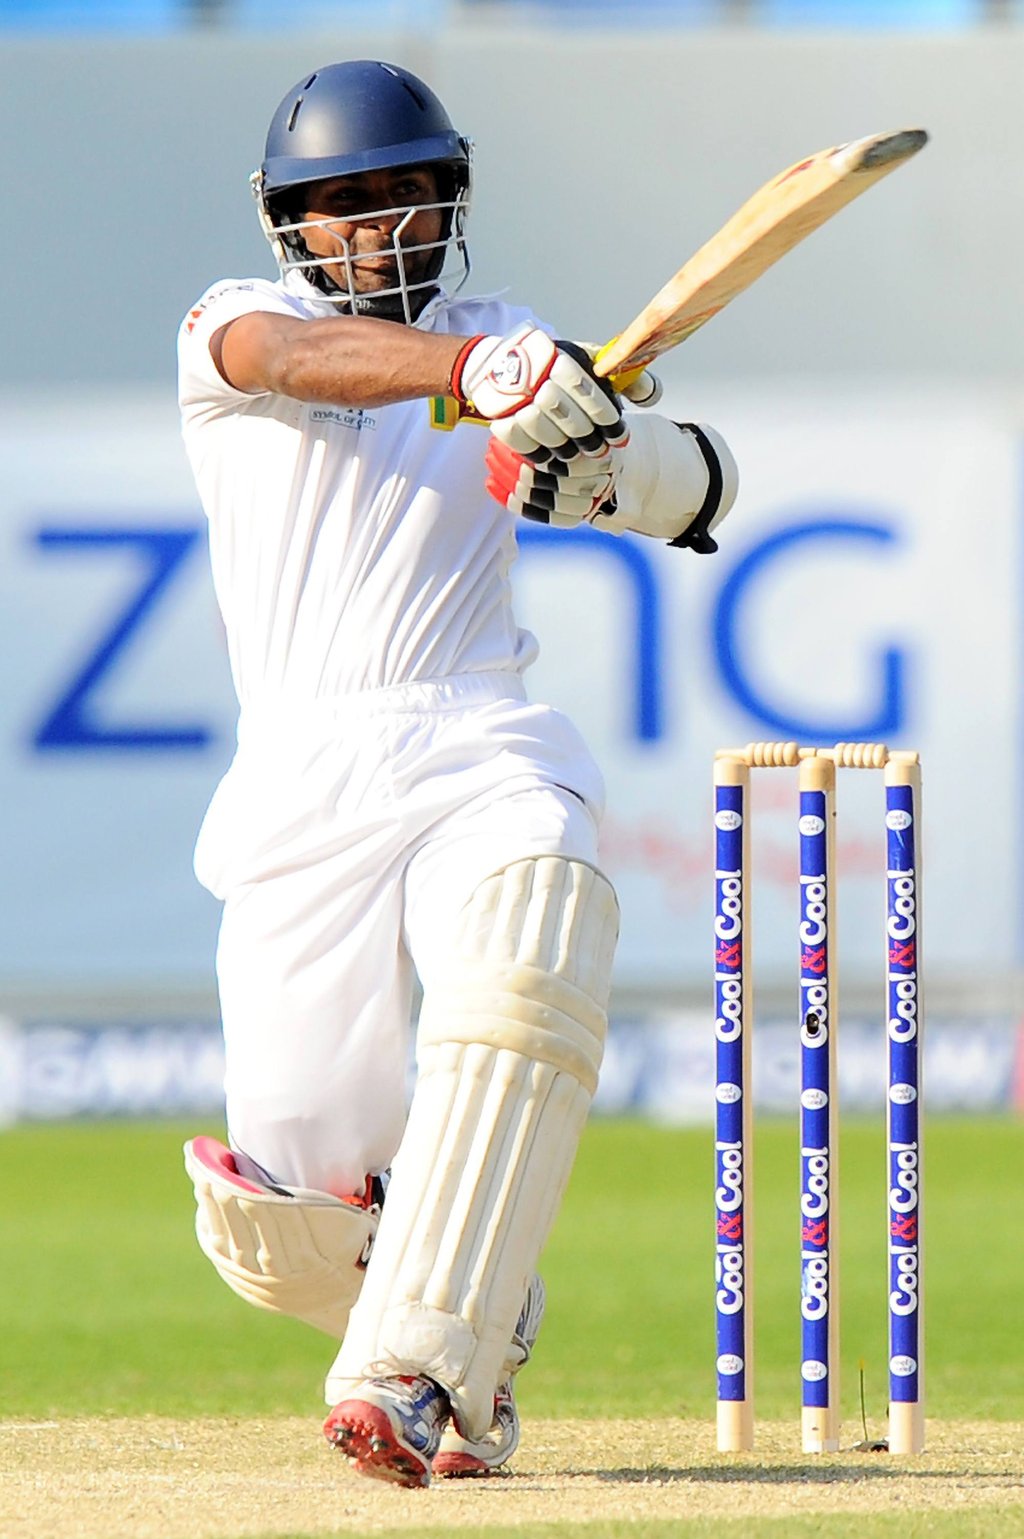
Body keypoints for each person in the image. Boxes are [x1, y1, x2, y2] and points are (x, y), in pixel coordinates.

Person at [178, 58, 737, 1490]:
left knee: (531, 936)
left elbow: (687, 489)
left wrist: (601, 465)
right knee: (288, 1211)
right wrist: (475, 380)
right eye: (339, 205)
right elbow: (299, 368)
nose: (373, 227)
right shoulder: (234, 323)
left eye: (401, 196)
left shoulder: (511, 334)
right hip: (303, 771)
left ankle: (418, 1367)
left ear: (448, 201)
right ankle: (477, 1300)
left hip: (474, 732)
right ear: (289, 223)